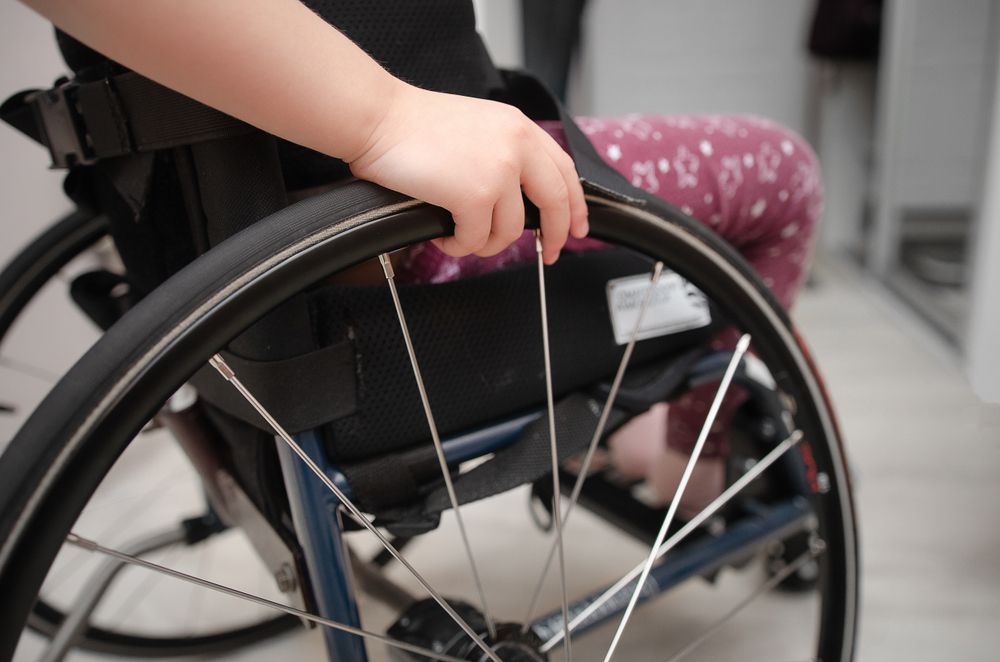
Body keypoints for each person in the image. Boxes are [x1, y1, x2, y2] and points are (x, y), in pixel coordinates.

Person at [20, 0, 822, 514]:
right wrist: (382, 119)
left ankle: (666, 426)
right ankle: (691, 455)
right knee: (786, 172)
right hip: (401, 230)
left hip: (236, 250)